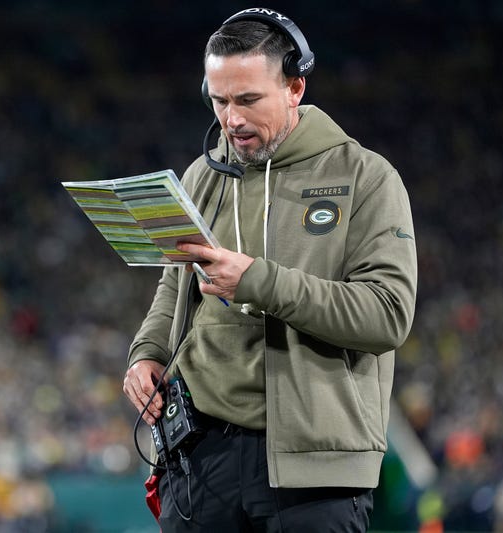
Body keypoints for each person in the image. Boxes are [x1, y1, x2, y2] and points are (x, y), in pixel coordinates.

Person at [122, 7, 417, 532]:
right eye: (219, 100)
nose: (231, 119)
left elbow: (388, 315)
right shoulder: (201, 175)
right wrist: (148, 354)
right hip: (200, 460)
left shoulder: (366, 178)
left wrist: (258, 281)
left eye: (248, 100)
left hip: (314, 473)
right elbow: (175, 283)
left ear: (295, 87)